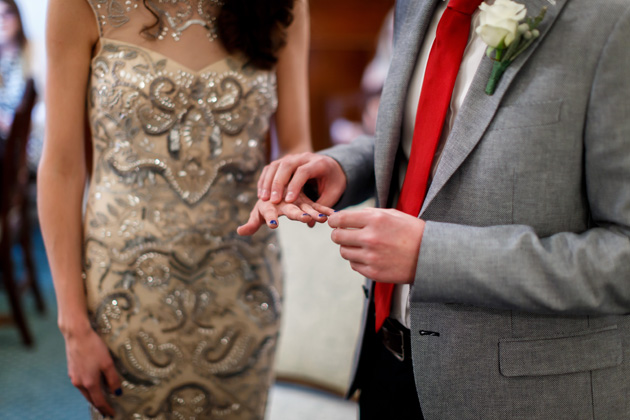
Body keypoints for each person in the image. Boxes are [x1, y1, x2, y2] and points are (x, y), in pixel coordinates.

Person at [239, 0, 630, 418]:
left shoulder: (611, 18)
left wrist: (432, 256)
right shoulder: (415, 6)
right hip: (386, 364)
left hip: (524, 395)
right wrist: (342, 167)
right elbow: (428, 142)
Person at [38, 0, 312, 418]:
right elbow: (60, 168)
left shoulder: (282, 4)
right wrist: (72, 323)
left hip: (241, 286)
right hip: (126, 292)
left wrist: (289, 181)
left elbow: (297, 143)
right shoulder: (79, 6)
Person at [0, 0, 28, 141]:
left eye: (7, 14)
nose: (2, 21)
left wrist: (11, 124)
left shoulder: (34, 55)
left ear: (17, 17)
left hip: (26, 138)